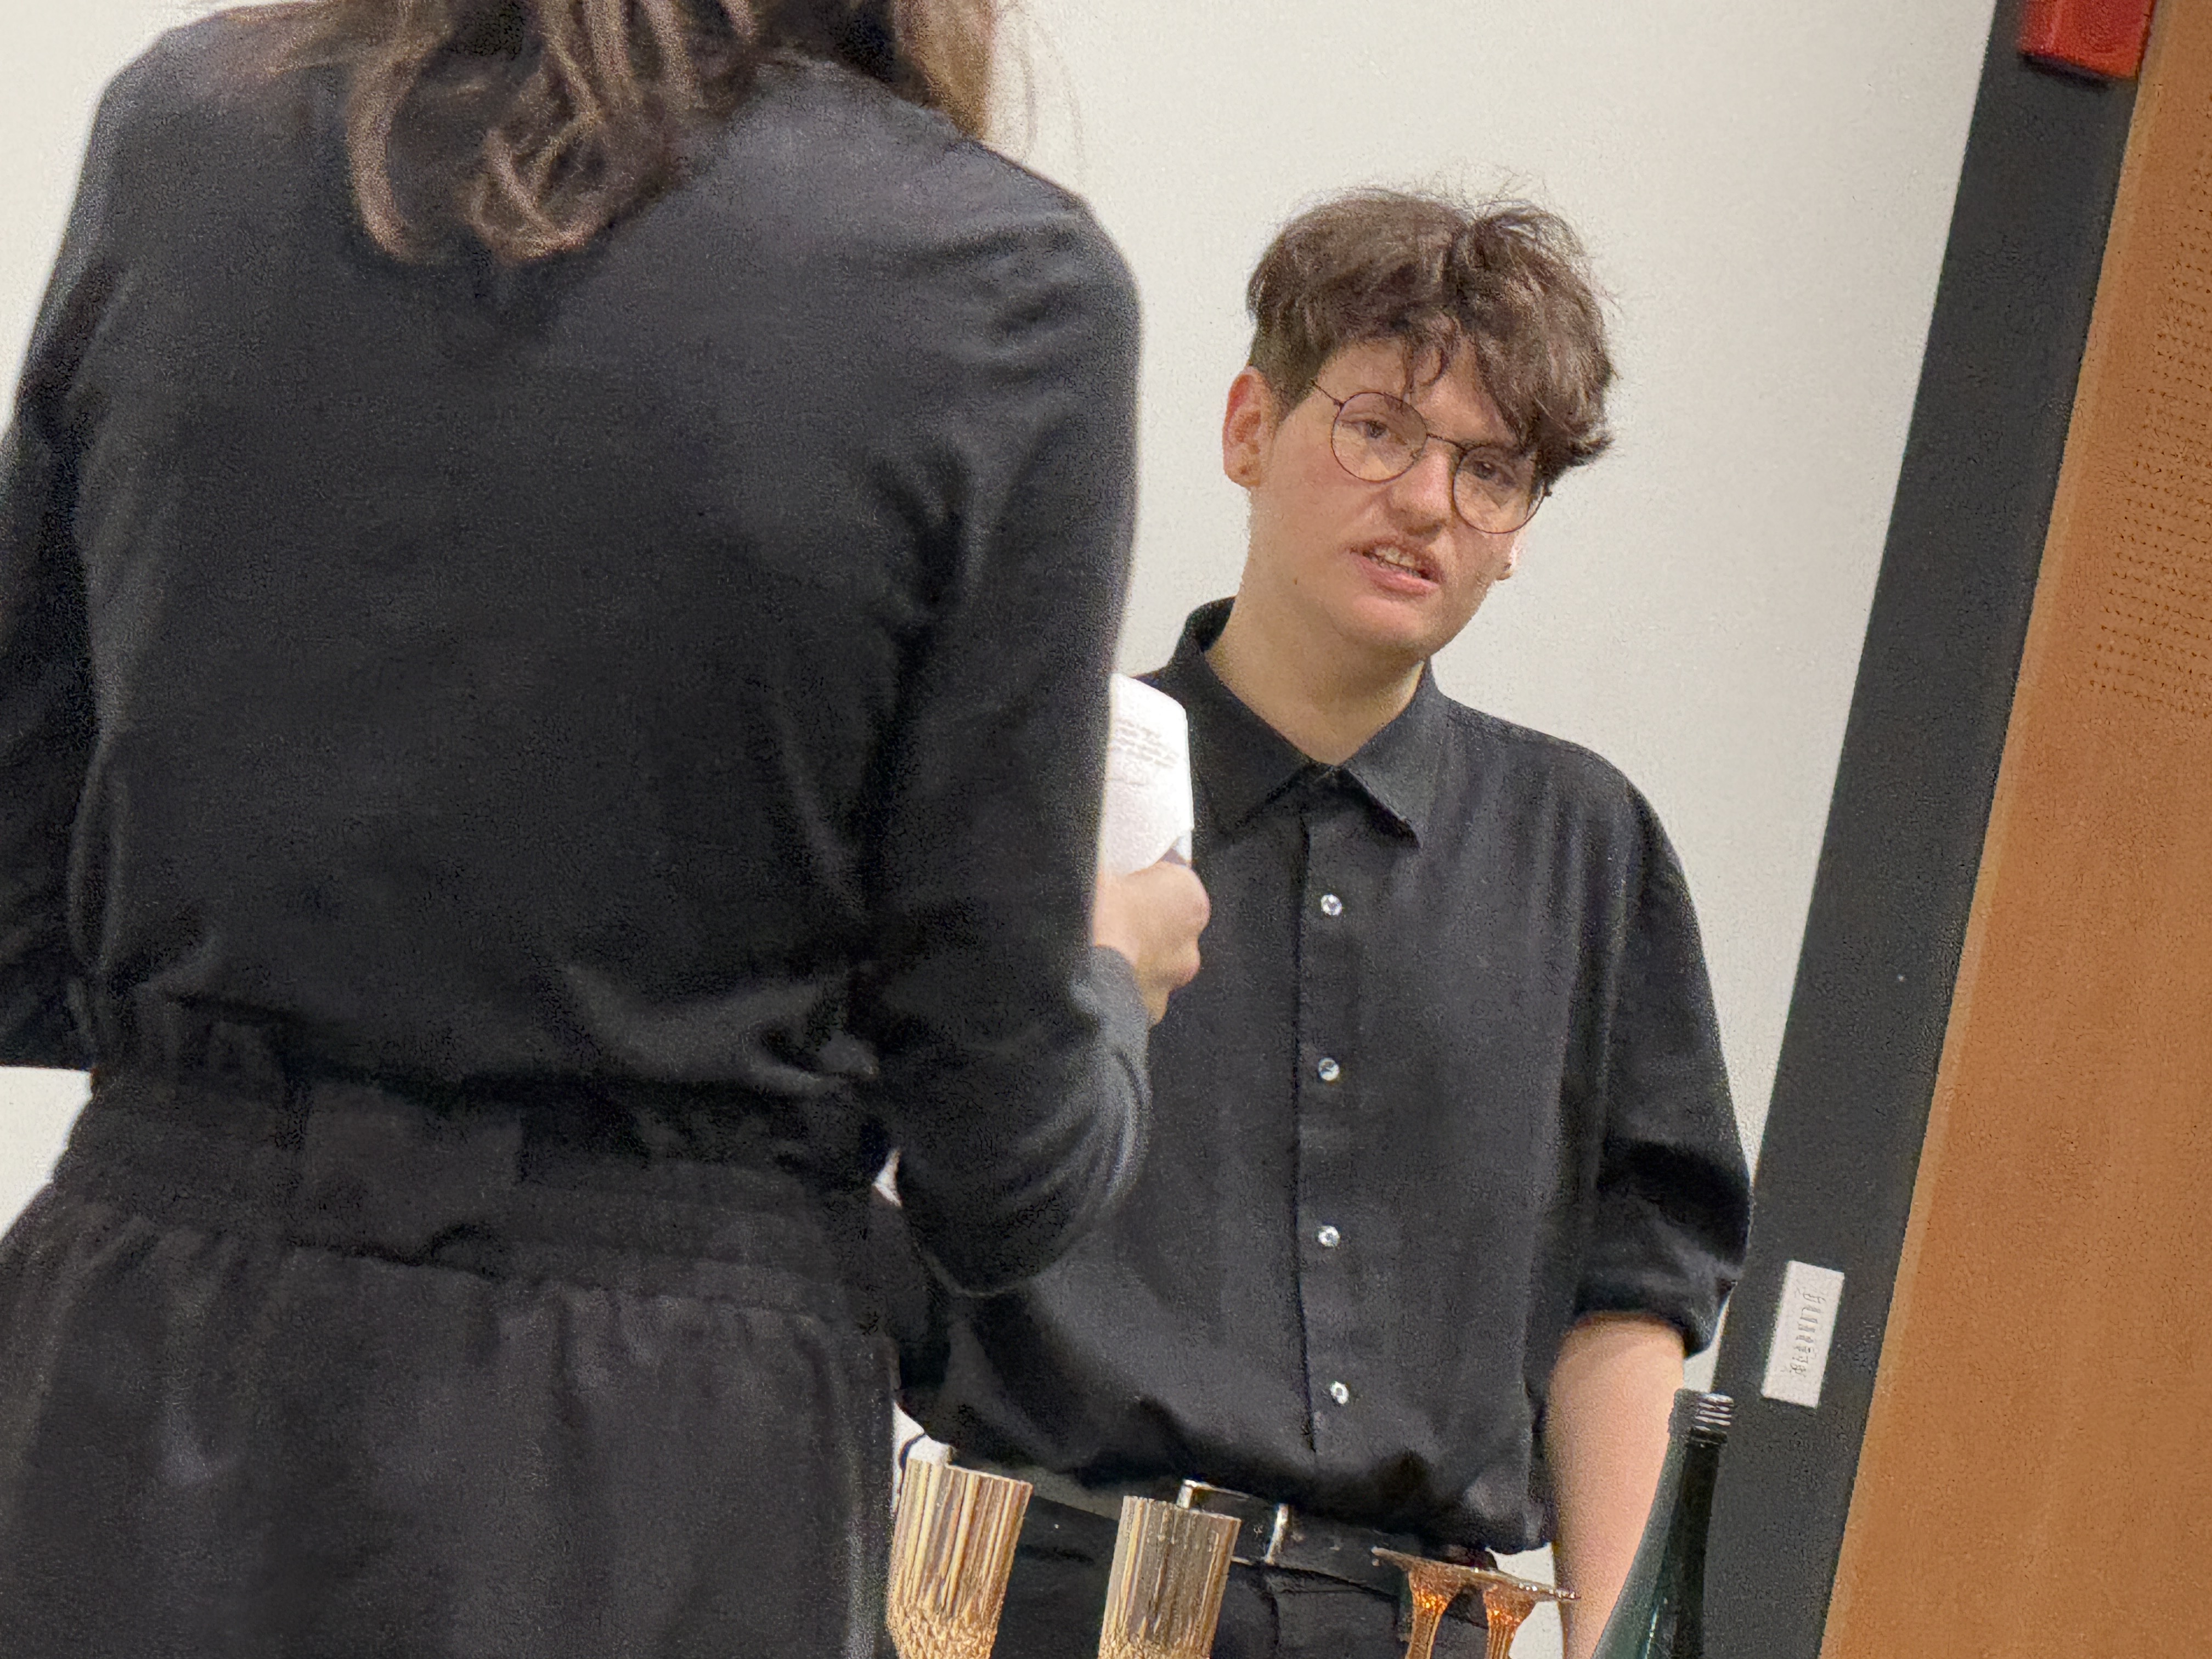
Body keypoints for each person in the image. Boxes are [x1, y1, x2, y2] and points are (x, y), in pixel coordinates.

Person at [0, 2, 1206, 1654]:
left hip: (135, 1383)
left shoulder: (187, 130)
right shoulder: (994, 283)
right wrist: (1114, 976)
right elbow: (1001, 1165)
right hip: (649, 1456)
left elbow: (15, 909)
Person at [895, 190, 1753, 1659]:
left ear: (1520, 531)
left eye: (1491, 471)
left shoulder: (1586, 848)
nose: (1425, 502)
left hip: (1420, 1622)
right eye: (1377, 431)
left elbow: (1633, 1296)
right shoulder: (1036, 785)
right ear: (1248, 430)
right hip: (1044, 1593)